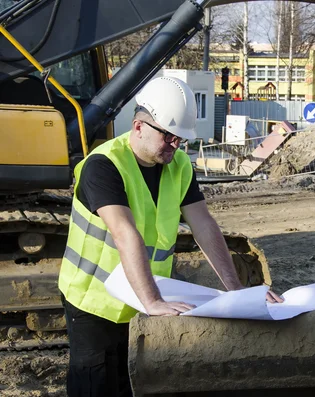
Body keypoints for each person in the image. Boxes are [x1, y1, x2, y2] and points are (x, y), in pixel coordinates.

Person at [57, 76, 283, 397]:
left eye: (181, 140)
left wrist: (237, 291)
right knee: (95, 384)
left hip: (140, 299)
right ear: (138, 126)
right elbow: (125, 233)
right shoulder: (103, 166)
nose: (175, 146)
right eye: (169, 137)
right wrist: (153, 301)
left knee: (130, 381)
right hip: (94, 303)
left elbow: (203, 224)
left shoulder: (177, 165)